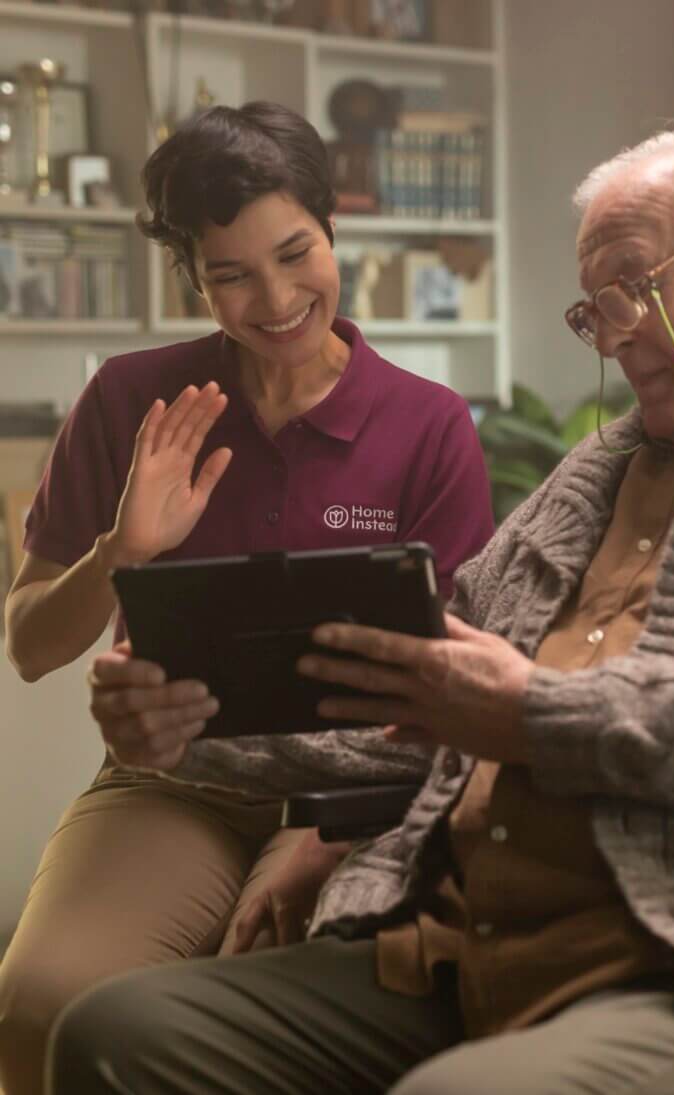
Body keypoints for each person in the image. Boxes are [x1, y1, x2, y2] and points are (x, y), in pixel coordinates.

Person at [54, 120, 674, 1095]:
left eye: (634, 289)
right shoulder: (595, 472)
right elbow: (425, 700)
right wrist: (189, 727)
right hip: (461, 938)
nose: (616, 334)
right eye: (594, 312)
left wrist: (535, 713)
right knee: (120, 1033)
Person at [0, 101, 494, 1095]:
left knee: (291, 1032)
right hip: (175, 787)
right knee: (41, 1003)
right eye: (229, 273)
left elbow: (462, 680)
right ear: (190, 275)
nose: (273, 299)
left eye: (294, 252)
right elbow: (30, 644)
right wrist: (119, 551)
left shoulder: (429, 425)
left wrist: (321, 837)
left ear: (332, 229)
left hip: (365, 799)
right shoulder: (129, 402)